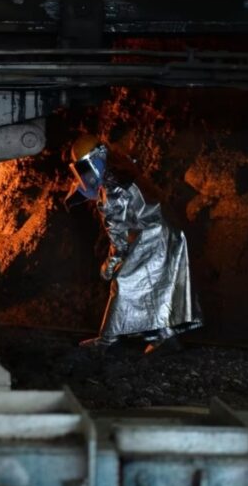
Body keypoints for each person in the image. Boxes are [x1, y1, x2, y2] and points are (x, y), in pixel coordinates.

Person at [65, 134, 202, 353]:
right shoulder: (122, 172)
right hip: (168, 232)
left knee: (124, 283)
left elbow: (118, 236)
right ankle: (165, 337)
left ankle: (107, 342)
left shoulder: (111, 191)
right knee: (157, 287)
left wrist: (109, 266)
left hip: (152, 237)